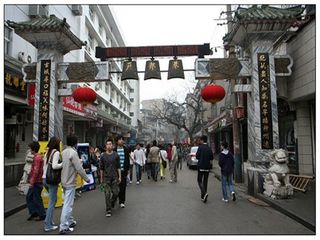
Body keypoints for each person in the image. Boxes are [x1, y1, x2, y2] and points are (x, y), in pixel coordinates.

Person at [59, 135, 90, 234]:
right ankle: (63, 226)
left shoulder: (63, 152)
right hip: (70, 181)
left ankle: (70, 221)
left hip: (63, 180)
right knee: (68, 204)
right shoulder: (73, 153)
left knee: (69, 202)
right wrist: (87, 179)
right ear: (75, 143)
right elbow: (79, 168)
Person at [43, 136, 62, 232]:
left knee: (53, 201)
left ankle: (48, 220)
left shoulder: (47, 152)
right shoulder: (56, 152)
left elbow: (44, 166)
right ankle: (48, 225)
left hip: (44, 179)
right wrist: (63, 164)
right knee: (52, 202)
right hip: (51, 180)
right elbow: (55, 166)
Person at [100, 139, 121, 217]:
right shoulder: (103, 156)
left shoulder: (116, 155)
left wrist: (120, 177)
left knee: (116, 192)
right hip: (106, 178)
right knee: (107, 194)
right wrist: (101, 179)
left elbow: (118, 167)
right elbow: (101, 168)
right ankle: (108, 209)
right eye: (107, 144)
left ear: (112, 145)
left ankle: (112, 202)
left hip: (114, 177)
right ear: (105, 146)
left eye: (110, 144)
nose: (109, 145)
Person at [26, 141, 46, 221]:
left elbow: (35, 171)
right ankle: (34, 212)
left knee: (36, 198)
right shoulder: (37, 157)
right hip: (36, 181)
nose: (29, 150)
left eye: (30, 148)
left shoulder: (37, 158)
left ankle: (41, 214)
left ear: (33, 149)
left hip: (36, 182)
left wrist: (31, 182)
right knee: (30, 197)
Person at [196, 135, 213, 203]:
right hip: (207, 167)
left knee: (199, 180)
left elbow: (197, 156)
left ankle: (204, 193)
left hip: (201, 166)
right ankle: (203, 196)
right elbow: (211, 157)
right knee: (205, 181)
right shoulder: (209, 148)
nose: (200, 141)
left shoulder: (200, 147)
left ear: (202, 140)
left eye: (200, 140)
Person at [114, 135, 130, 208]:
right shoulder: (114, 150)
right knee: (115, 187)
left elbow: (127, 160)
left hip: (123, 171)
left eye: (122, 139)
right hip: (115, 172)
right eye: (120, 139)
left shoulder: (126, 149)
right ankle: (114, 199)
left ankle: (122, 201)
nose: (121, 141)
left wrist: (127, 170)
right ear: (117, 141)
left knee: (123, 187)